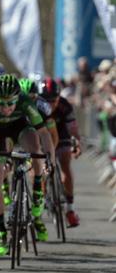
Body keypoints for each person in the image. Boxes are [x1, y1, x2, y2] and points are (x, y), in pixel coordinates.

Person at [0, 74, 56, 256]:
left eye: (10, 103)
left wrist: (50, 159)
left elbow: (44, 133)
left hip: (20, 126)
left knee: (35, 146)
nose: (6, 108)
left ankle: (37, 188)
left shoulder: (25, 101)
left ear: (18, 98)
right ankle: (1, 231)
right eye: (1, 103)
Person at [40, 77, 82, 227]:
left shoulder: (65, 105)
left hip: (62, 136)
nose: (51, 104)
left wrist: (76, 143)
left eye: (54, 100)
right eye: (47, 100)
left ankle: (69, 210)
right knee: (41, 170)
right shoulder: (37, 106)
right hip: (43, 138)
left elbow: (73, 128)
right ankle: (43, 198)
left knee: (65, 164)